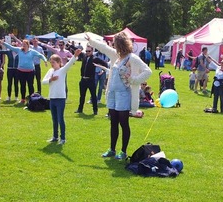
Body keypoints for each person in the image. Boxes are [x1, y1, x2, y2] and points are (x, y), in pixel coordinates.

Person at [86, 32, 152, 160]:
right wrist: (92, 41)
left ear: (120, 44)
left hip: (123, 94)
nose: (112, 45)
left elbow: (147, 71)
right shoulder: (116, 56)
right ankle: (112, 149)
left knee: (124, 123)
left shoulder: (132, 58)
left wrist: (134, 80)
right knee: (113, 122)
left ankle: (123, 151)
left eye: (114, 43)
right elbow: (104, 48)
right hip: (112, 93)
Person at [42, 49, 81, 145]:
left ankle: (62, 138)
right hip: (52, 98)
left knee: (60, 118)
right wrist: (50, 79)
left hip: (60, 98)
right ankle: (55, 137)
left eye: (54, 62)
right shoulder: (50, 71)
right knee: (54, 119)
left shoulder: (62, 71)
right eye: (51, 62)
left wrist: (75, 56)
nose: (52, 64)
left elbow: (69, 64)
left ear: (59, 63)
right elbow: (43, 82)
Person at [3, 36, 47, 103]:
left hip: (30, 71)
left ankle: (31, 99)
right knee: (22, 85)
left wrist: (45, 60)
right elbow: (11, 47)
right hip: (21, 71)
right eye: (22, 44)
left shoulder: (32, 51)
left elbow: (40, 55)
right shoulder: (19, 50)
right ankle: (23, 99)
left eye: (24, 44)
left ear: (27, 45)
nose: (23, 45)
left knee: (30, 85)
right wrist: (4, 43)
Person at [75, 46, 104, 115]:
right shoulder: (84, 56)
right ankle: (80, 109)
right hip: (83, 79)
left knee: (93, 96)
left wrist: (103, 70)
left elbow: (104, 63)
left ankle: (95, 110)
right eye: (86, 51)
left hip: (90, 80)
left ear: (92, 51)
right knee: (82, 96)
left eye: (89, 51)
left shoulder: (95, 59)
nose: (87, 52)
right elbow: (77, 50)